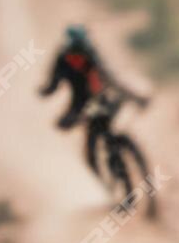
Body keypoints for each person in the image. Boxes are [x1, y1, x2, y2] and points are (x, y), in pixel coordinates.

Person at [41, 24, 146, 182]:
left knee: (94, 149)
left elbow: (111, 78)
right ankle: (112, 178)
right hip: (86, 102)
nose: (77, 56)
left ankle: (119, 161)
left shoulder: (76, 56)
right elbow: (53, 84)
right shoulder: (77, 55)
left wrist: (135, 97)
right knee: (90, 147)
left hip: (94, 101)